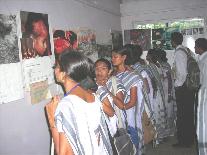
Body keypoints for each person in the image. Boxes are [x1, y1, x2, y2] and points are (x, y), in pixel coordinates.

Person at [45, 49, 113, 155]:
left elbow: (64, 153)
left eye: (56, 67)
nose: (55, 70)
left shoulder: (67, 105)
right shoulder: (92, 96)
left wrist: (52, 120)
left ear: (64, 73)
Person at [112, 47, 144, 154]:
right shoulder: (113, 74)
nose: (112, 59)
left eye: (115, 57)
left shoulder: (132, 76)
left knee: (131, 136)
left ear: (124, 57)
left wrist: (122, 108)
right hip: (116, 112)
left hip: (129, 112)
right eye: (112, 57)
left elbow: (133, 101)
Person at [171, 32, 196, 147]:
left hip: (183, 88)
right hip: (187, 87)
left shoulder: (179, 53)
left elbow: (182, 73)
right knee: (187, 114)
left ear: (173, 41)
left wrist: (177, 85)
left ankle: (184, 141)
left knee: (182, 115)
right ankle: (189, 138)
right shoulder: (186, 50)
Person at [195, 38, 207, 155]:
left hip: (205, 91)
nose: (194, 48)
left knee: (203, 121)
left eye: (195, 46)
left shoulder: (205, 60)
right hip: (203, 90)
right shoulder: (202, 58)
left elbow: (203, 79)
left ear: (200, 47)